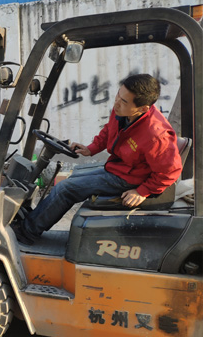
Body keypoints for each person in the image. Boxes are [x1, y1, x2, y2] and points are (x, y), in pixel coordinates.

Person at [13, 74, 183, 245]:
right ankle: (33, 220)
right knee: (73, 177)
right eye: (118, 95)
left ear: (143, 109)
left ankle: (27, 232)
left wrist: (142, 191)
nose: (117, 103)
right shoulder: (122, 111)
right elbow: (109, 130)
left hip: (130, 179)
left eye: (124, 101)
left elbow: (171, 172)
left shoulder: (156, 135)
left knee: (65, 189)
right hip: (119, 168)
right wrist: (91, 148)